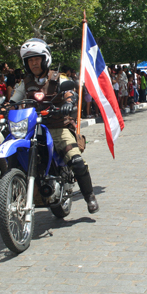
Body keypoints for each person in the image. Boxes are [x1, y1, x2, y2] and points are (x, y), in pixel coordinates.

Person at [10, 38, 99, 213]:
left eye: (36, 59)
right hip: (31, 128)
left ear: (45, 59)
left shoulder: (59, 77)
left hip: (58, 127)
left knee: (76, 161)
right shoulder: (25, 82)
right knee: (15, 152)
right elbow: (13, 100)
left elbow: (69, 92)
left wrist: (69, 101)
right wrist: (1, 107)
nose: (34, 63)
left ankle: (89, 196)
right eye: (30, 60)